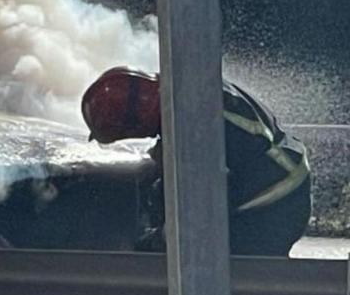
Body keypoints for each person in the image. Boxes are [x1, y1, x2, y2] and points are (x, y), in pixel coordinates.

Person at [81, 67, 311, 256]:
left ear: (132, 123)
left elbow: (199, 203)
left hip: (271, 203)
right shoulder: (188, 89)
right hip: (283, 189)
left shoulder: (190, 121)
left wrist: (162, 238)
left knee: (220, 271)